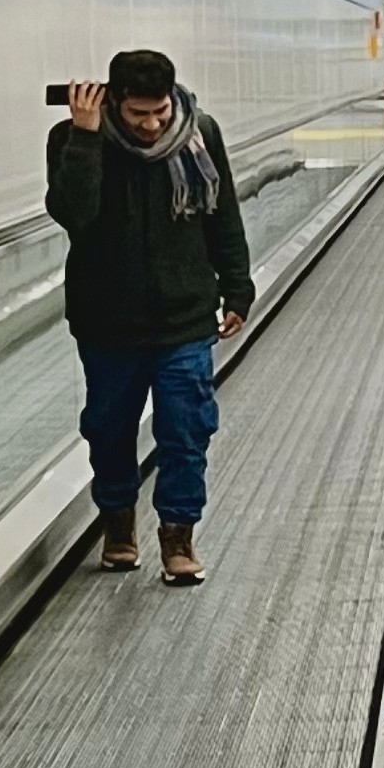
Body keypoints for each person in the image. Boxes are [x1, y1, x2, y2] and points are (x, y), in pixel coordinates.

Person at [48, 51, 251, 586]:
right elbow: (74, 215)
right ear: (114, 102)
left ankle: (178, 536)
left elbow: (222, 214)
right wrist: (86, 137)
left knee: (187, 430)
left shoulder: (200, 134)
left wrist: (236, 289)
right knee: (109, 430)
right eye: (139, 114)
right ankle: (118, 524)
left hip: (184, 318)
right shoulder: (71, 138)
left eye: (160, 111)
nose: (153, 124)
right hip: (107, 323)